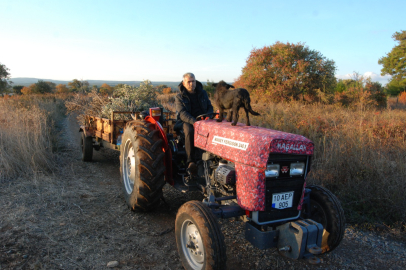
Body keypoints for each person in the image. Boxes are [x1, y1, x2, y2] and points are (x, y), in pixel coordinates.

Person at [175, 72, 213, 174]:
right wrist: (195, 122)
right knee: (189, 129)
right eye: (189, 82)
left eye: (193, 81)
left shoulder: (202, 93)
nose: (191, 84)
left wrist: (208, 117)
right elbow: (182, 114)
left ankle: (213, 158)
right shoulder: (179, 97)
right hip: (186, 122)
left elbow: (210, 107)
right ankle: (191, 161)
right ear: (184, 83)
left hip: (203, 120)